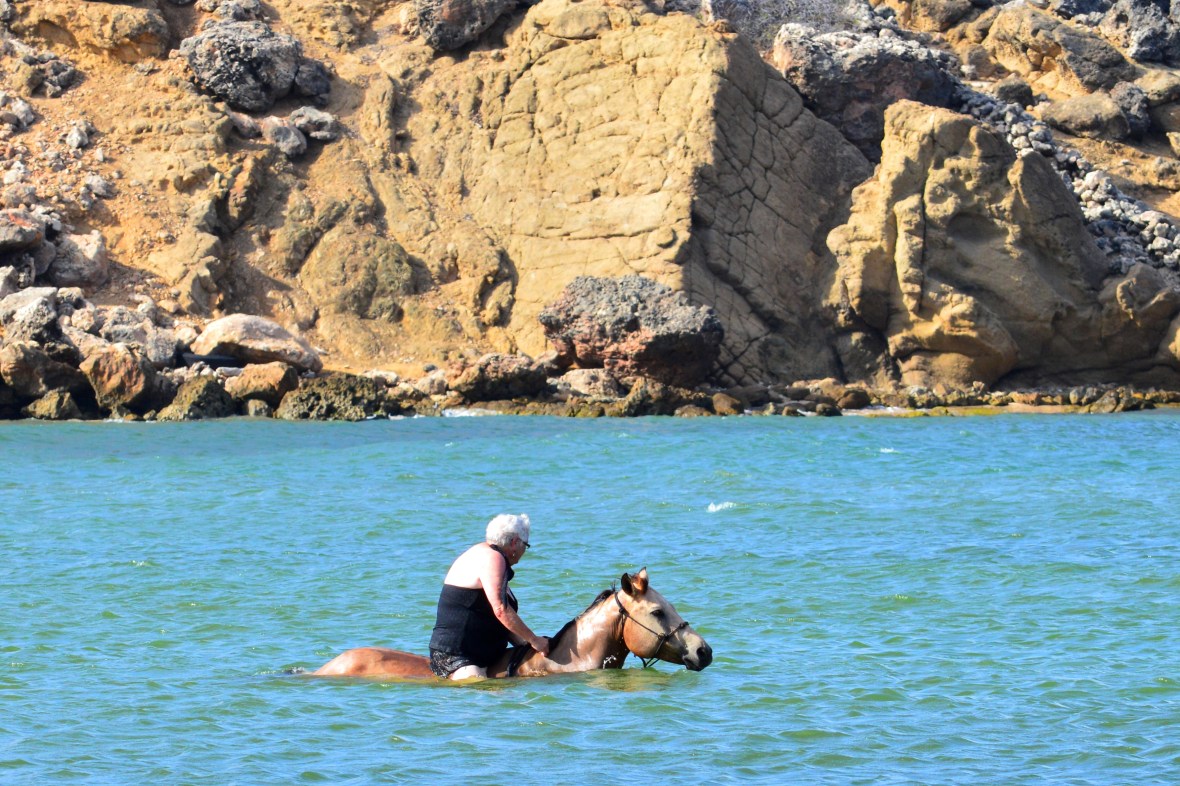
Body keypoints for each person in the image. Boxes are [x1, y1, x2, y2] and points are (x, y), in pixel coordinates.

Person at [428, 513, 550, 679]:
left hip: (486, 652)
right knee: (479, 683)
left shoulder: (486, 553)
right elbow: (500, 610)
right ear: (514, 542)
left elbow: (493, 616)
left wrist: (527, 642)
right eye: (525, 545)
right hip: (457, 654)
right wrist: (534, 640)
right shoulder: (493, 558)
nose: (524, 551)